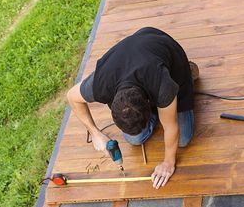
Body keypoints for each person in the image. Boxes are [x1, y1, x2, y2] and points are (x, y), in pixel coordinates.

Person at [66, 27, 197, 189]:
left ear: (149, 105)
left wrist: (168, 163)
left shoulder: (162, 84)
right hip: (132, 57)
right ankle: (163, 109)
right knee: (134, 138)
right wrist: (95, 133)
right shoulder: (102, 84)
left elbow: (171, 127)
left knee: (183, 140)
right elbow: (72, 97)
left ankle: (189, 73)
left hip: (167, 55)